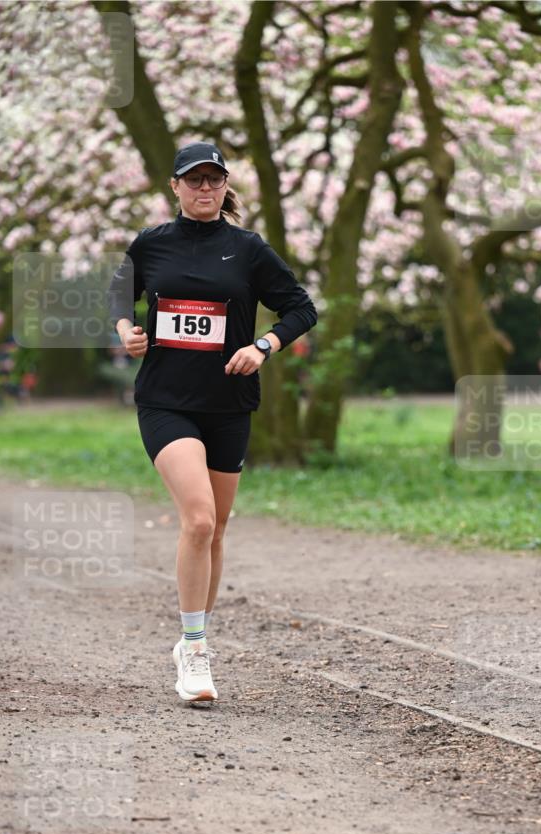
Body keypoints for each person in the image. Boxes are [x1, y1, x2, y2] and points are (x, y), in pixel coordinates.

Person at [107, 141, 317, 704]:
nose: (204, 189)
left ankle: (193, 637)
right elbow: (118, 295)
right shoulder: (151, 244)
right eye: (193, 180)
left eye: (213, 180)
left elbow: (301, 307)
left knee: (218, 528)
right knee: (198, 520)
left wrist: (264, 345)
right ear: (174, 187)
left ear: (225, 187)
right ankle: (195, 648)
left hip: (228, 404)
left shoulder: (248, 250)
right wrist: (125, 329)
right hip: (165, 400)